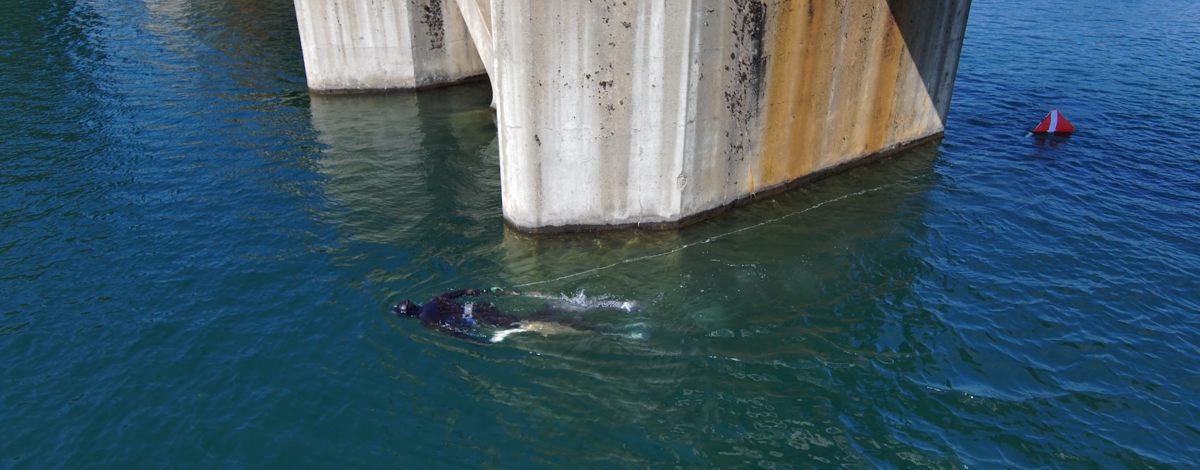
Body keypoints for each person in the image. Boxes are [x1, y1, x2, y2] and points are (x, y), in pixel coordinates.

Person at [393, 287, 586, 343]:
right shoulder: (434, 300)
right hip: (481, 307)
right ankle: (553, 310)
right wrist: (491, 290)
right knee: (515, 319)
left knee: (520, 323)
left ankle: (572, 326)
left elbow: (452, 332)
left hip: (478, 318)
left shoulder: (426, 321)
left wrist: (475, 341)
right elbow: (464, 292)